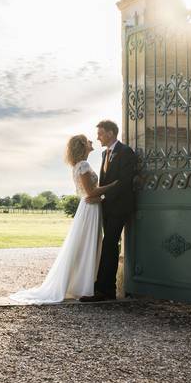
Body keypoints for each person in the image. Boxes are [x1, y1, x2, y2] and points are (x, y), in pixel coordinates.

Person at [10, 134, 118, 304]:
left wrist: (100, 198)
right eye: (88, 140)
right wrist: (113, 186)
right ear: (83, 144)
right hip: (89, 209)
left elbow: (87, 192)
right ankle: (84, 287)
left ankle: (84, 284)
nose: (92, 141)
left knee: (86, 245)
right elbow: (90, 193)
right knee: (87, 245)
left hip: (90, 207)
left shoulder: (78, 165)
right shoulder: (83, 165)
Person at [80, 120, 137, 302]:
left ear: (111, 133)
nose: (98, 137)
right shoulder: (105, 153)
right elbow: (105, 183)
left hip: (120, 207)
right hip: (106, 208)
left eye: (101, 133)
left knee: (109, 244)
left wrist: (103, 198)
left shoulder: (126, 152)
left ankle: (104, 290)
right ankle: (105, 289)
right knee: (109, 245)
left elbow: (124, 182)